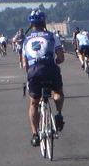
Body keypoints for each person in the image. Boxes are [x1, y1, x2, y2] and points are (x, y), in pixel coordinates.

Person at [19, 9, 65, 147]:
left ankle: (35, 135)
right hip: (50, 68)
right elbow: (61, 58)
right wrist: (52, 63)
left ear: (30, 24)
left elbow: (24, 64)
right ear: (44, 22)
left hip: (34, 71)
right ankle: (58, 113)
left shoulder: (26, 40)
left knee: (33, 103)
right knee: (58, 92)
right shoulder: (52, 36)